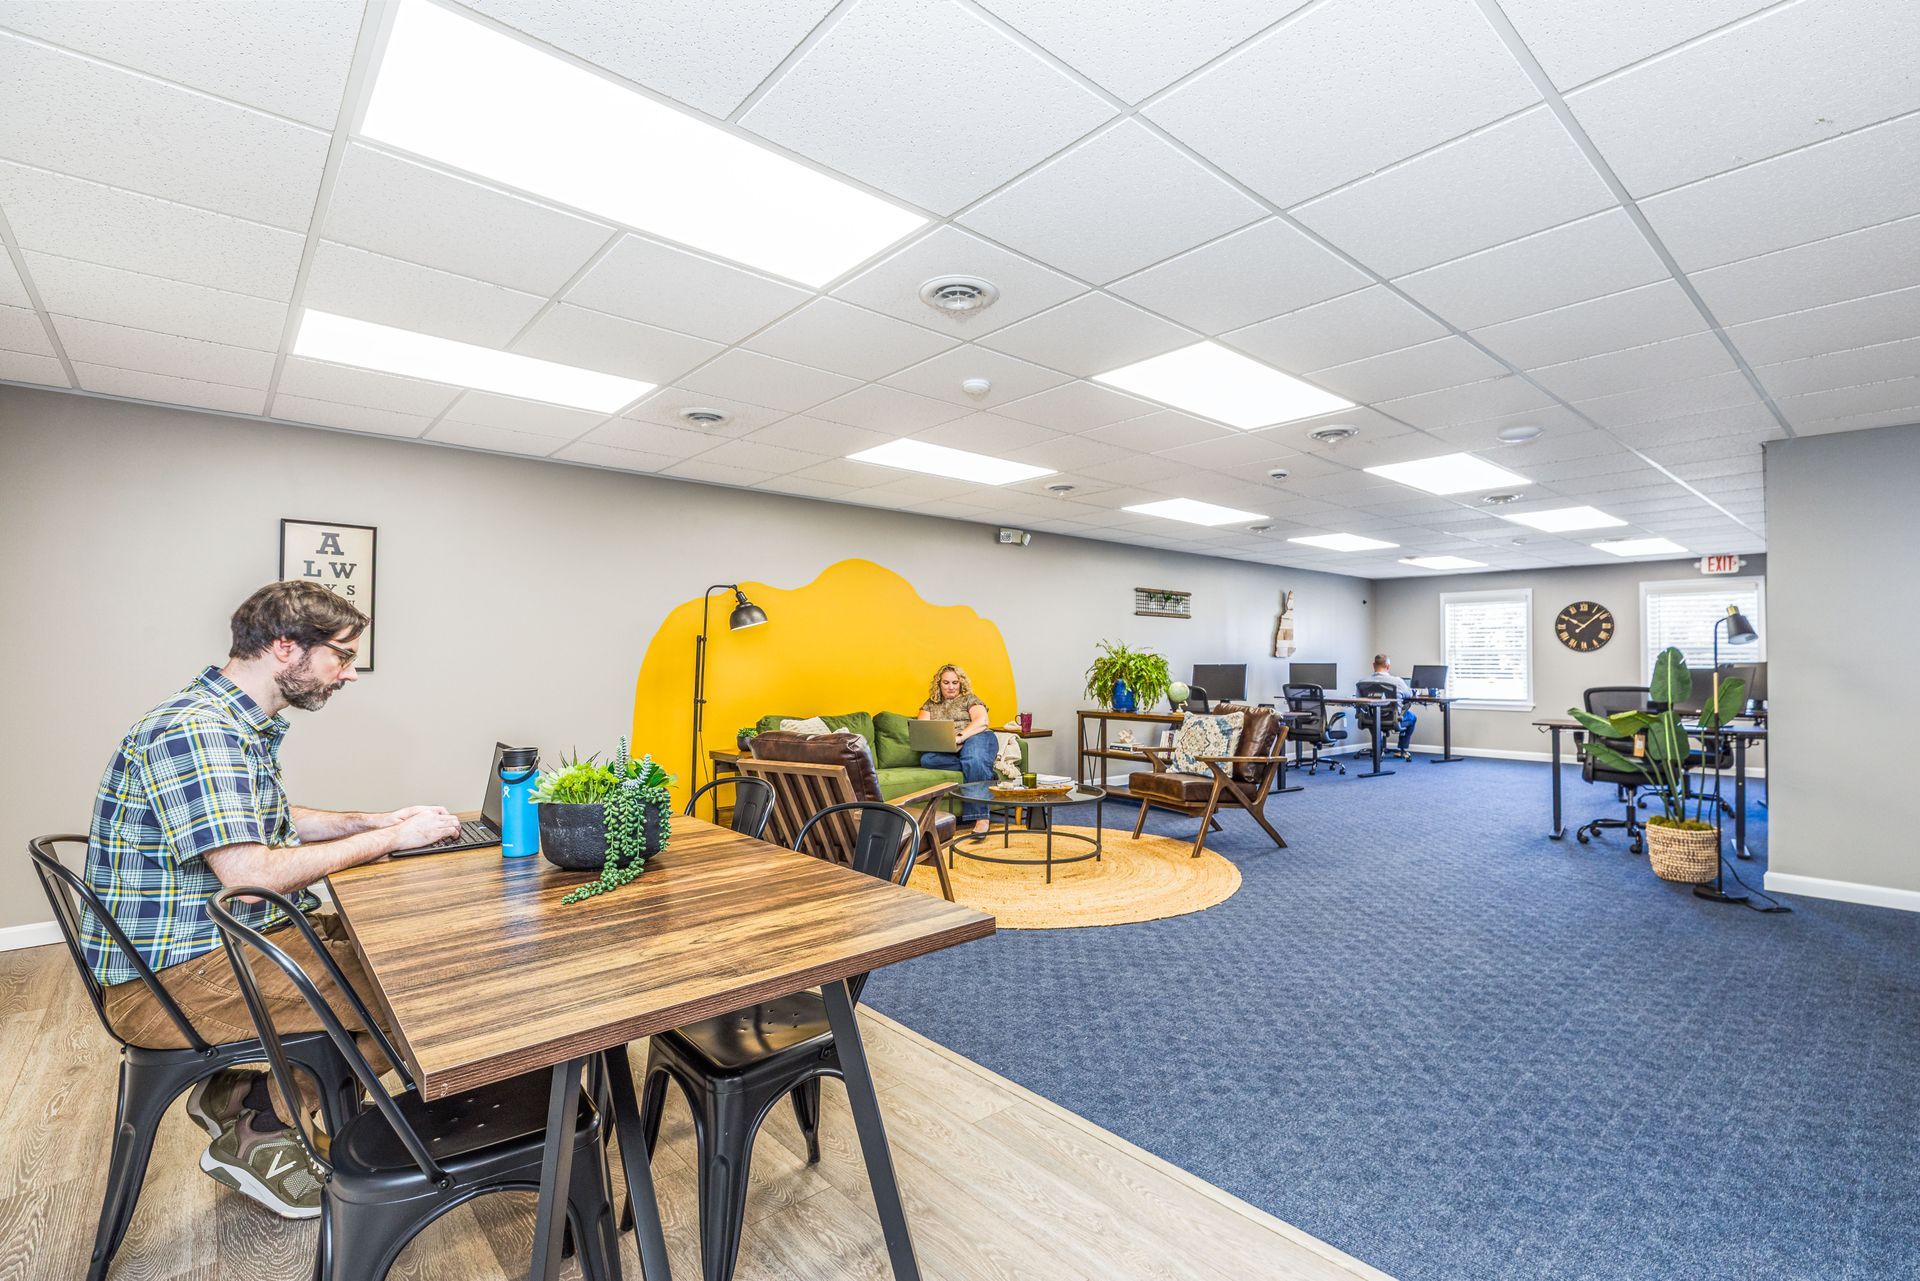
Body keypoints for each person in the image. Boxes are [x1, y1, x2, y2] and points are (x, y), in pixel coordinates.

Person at [82, 581, 461, 1219]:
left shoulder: (228, 720)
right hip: (171, 977)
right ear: (286, 648)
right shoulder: (198, 731)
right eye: (341, 656)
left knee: (386, 952)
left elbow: (262, 816)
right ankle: (262, 1128)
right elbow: (249, 872)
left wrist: (371, 822)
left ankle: (246, 1096)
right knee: (414, 992)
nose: (350, 673)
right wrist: (395, 839)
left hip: (206, 945)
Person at [917, 663, 996, 835]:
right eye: (946, 683)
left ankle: (981, 817)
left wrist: (959, 738)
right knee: (927, 760)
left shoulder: (970, 699)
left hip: (976, 737)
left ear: (961, 683)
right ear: (939, 684)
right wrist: (946, 743)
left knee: (973, 758)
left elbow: (982, 721)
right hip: (948, 746)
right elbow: (922, 730)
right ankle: (985, 772)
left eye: (955, 682)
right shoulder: (930, 704)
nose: (951, 687)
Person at [1366, 654, 1417, 757]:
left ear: (1373, 665)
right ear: (1388, 666)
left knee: (1375, 720)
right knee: (1412, 717)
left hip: (1372, 719)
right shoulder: (1397, 681)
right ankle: (1401, 750)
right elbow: (1409, 694)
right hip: (1393, 718)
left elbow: (1359, 701)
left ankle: (1378, 749)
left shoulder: (1363, 682)